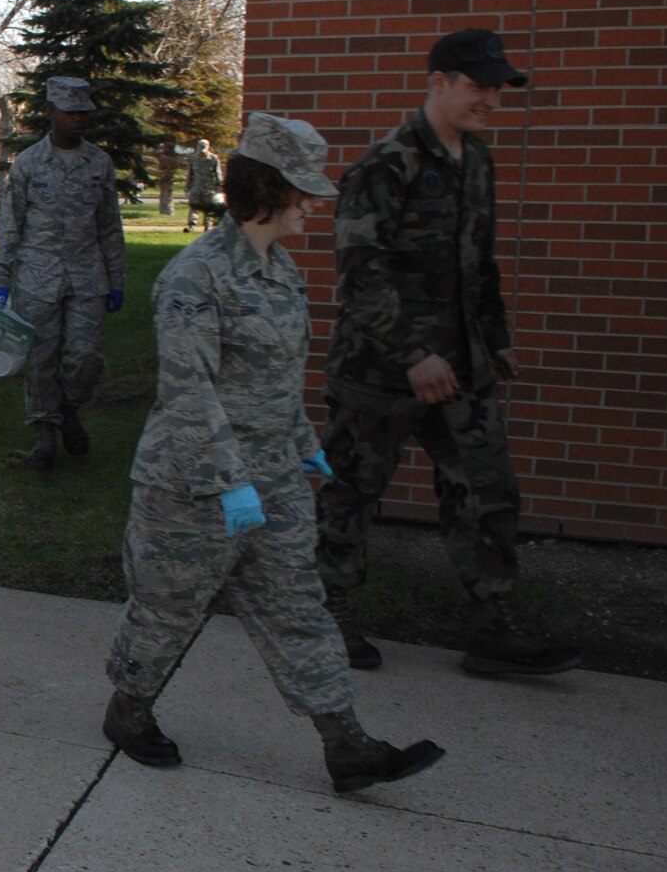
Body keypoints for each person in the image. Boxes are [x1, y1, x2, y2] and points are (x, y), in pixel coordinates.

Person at [103, 112, 445, 794]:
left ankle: (347, 745)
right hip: (193, 487)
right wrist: (230, 484)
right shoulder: (194, 278)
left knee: (299, 608)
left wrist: (304, 448)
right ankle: (128, 709)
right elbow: (188, 394)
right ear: (268, 188)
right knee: (167, 613)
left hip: (275, 481)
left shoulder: (280, 269)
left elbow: (280, 380)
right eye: (303, 192)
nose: (313, 206)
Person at [317, 28, 580, 677]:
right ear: (438, 82)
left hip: (461, 367)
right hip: (380, 371)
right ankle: (322, 619)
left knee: (486, 487)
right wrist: (412, 354)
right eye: (478, 85)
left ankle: (493, 629)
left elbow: (478, 265)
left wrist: (496, 339)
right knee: (354, 491)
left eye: (498, 86)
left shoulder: (478, 162)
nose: (490, 97)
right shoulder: (388, 166)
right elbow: (358, 275)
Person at [0, 76, 126, 467]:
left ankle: (68, 408)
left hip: (87, 276)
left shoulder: (98, 163)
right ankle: (44, 432)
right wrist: (0, 279)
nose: (79, 119)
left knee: (86, 357)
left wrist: (116, 281)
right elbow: (10, 226)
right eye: (71, 112)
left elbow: (110, 226)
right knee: (42, 359)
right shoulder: (29, 163)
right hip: (37, 277)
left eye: (84, 113)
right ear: (50, 113)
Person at [184, 137, 223, 232]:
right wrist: (187, 187)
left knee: (208, 208)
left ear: (208, 147)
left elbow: (218, 173)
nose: (202, 151)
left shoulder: (213, 158)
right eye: (200, 148)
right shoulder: (193, 158)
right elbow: (190, 174)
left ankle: (207, 226)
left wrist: (219, 186)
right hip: (196, 187)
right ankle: (191, 226)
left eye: (204, 148)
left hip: (208, 188)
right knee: (193, 206)